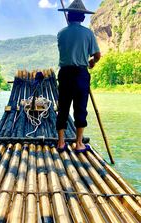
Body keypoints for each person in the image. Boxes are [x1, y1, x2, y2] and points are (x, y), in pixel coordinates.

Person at [56, 0, 101, 153]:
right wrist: (92, 62)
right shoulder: (88, 33)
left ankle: (61, 142)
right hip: (81, 74)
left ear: (68, 16)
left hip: (64, 74)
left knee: (63, 107)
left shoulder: (61, 33)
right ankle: (79, 143)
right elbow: (97, 55)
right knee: (80, 108)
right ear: (82, 17)